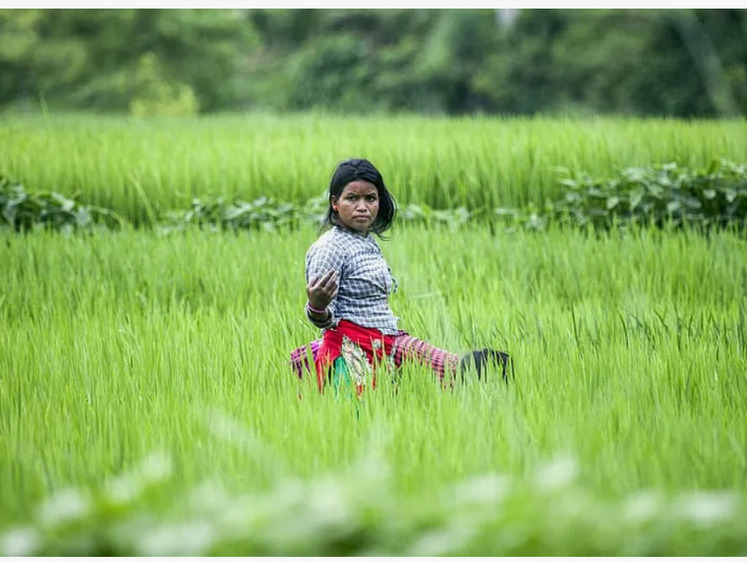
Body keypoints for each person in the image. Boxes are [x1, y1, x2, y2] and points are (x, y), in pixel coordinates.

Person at [290, 158, 513, 397]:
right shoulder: (330, 248)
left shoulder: (366, 242)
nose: (363, 206)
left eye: (370, 198)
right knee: (360, 410)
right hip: (353, 347)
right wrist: (318, 306)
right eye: (352, 198)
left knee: (455, 369)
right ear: (335, 203)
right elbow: (322, 318)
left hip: (388, 338)